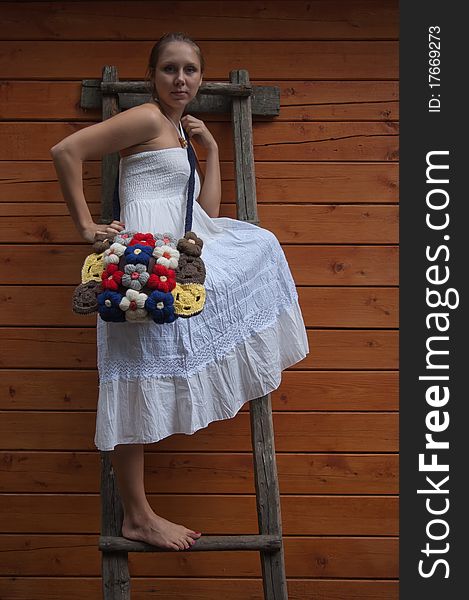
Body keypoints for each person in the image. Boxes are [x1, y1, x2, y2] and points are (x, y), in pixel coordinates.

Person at [50, 32, 309, 552]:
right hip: (143, 259)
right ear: (153, 76)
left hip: (181, 251)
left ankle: (140, 512)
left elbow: (205, 214)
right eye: (170, 68)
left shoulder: (180, 133)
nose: (181, 79)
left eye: (190, 69)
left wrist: (210, 149)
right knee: (131, 368)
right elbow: (66, 150)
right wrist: (84, 225)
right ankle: (138, 515)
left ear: (200, 76)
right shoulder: (147, 117)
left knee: (257, 246)